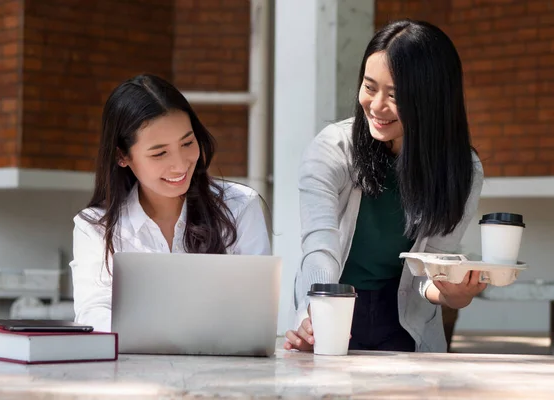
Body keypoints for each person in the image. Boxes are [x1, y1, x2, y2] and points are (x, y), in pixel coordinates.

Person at [284, 19, 485, 353]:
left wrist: (452, 293)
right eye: (369, 86)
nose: (376, 106)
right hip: (333, 315)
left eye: (395, 95)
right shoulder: (331, 150)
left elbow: (428, 271)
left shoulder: (462, 170)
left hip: (407, 324)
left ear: (433, 98)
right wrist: (313, 311)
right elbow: (319, 249)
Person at [70, 74, 271, 332]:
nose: (180, 164)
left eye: (187, 143)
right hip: (134, 369)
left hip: (223, 368)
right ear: (122, 156)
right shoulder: (96, 227)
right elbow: (93, 313)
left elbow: (256, 310)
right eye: (159, 153)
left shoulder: (239, 207)